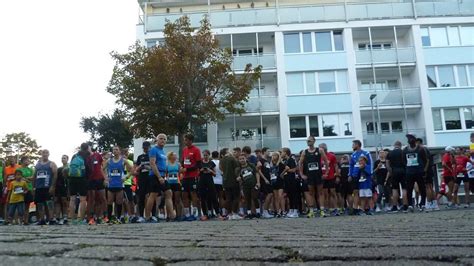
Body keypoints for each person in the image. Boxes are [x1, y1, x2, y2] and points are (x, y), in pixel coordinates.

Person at [298, 136, 329, 218]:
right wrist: (301, 174)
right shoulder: (304, 152)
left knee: (320, 192)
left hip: (318, 174)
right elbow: (300, 163)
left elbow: (326, 161)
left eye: (310, 141)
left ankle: (322, 210)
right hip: (309, 175)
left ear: (314, 141)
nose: (308, 142)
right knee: (311, 193)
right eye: (307, 141)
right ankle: (311, 211)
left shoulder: (320, 150)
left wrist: (326, 172)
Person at [103, 145, 132, 224]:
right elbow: (102, 169)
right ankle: (109, 218)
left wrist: (126, 177)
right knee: (109, 202)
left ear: (119, 151)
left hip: (119, 184)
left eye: (116, 149)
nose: (115, 151)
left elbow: (132, 170)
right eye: (113, 150)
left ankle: (118, 218)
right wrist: (105, 178)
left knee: (119, 202)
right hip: (111, 184)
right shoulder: (109, 160)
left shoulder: (123, 160)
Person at [403, 133, 428, 212]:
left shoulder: (420, 149)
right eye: (409, 139)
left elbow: (426, 160)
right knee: (409, 189)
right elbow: (404, 161)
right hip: (409, 172)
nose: (411, 140)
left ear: (415, 140)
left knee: (422, 188)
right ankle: (410, 204)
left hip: (419, 171)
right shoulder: (405, 150)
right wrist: (406, 169)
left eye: (412, 139)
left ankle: (422, 203)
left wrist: (424, 170)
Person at [146, 134, 168, 223]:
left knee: (168, 192)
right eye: (161, 139)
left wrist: (164, 176)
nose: (162, 140)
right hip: (155, 175)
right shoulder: (154, 149)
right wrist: (159, 177)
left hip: (163, 175)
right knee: (153, 195)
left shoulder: (162, 151)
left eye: (164, 139)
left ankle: (169, 215)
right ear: (157, 140)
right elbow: (152, 163)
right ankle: (148, 217)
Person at [32, 149, 58, 225]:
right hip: (39, 187)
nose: (45, 154)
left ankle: (51, 219)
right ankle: (42, 219)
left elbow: (55, 175)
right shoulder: (38, 165)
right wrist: (33, 187)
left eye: (46, 153)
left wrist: (52, 186)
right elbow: (34, 176)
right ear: (41, 154)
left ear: (49, 154)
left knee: (49, 203)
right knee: (40, 204)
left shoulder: (52, 164)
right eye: (43, 153)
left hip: (47, 186)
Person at [181, 134, 202, 221]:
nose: (185, 142)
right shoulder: (184, 150)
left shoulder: (196, 150)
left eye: (186, 140)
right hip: (185, 177)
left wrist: (188, 169)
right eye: (184, 140)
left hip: (193, 176)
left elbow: (198, 164)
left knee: (193, 194)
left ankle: (195, 214)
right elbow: (183, 161)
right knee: (184, 195)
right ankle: (187, 214)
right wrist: (182, 167)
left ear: (190, 140)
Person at [68, 143, 90, 224]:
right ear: (87, 148)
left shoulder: (75, 155)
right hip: (82, 179)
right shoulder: (87, 155)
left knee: (72, 199)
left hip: (72, 178)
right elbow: (88, 168)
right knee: (83, 199)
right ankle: (81, 219)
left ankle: (72, 219)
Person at [348, 140, 372, 215]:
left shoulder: (366, 153)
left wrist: (370, 173)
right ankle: (355, 208)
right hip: (355, 175)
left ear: (357, 145)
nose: (352, 146)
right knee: (355, 192)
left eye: (353, 144)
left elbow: (371, 163)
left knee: (365, 193)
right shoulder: (353, 155)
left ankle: (366, 208)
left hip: (363, 175)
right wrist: (350, 175)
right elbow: (351, 166)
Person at [416, 138, 438, 211]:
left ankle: (428, 204)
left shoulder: (422, 150)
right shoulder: (426, 149)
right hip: (429, 170)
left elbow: (427, 160)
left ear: (418, 143)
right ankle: (434, 204)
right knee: (431, 187)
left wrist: (424, 170)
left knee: (427, 188)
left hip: (425, 170)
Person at [86, 147, 106, 225]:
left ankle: (103, 217)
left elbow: (101, 167)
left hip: (99, 179)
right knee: (91, 199)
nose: (87, 149)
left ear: (90, 148)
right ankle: (90, 218)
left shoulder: (97, 155)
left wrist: (105, 178)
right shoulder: (86, 158)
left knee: (102, 198)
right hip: (91, 180)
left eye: (88, 147)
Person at [219, 148, 241, 220]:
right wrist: (238, 176)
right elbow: (237, 168)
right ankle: (234, 213)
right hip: (233, 180)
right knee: (236, 197)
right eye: (229, 151)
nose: (231, 152)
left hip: (225, 181)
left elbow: (221, 170)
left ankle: (229, 214)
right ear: (226, 152)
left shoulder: (221, 160)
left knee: (228, 198)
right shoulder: (232, 159)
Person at [236, 153, 260, 219]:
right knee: (247, 199)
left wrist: (258, 182)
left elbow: (257, 173)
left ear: (246, 159)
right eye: (240, 159)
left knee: (255, 197)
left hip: (253, 184)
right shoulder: (238, 169)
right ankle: (249, 213)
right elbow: (238, 178)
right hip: (245, 186)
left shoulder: (251, 165)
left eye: (243, 158)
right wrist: (238, 179)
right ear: (238, 160)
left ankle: (258, 213)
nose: (242, 160)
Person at [198, 150, 220, 221]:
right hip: (202, 181)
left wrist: (210, 170)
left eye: (206, 155)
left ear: (209, 155)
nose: (205, 156)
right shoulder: (200, 163)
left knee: (214, 197)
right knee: (203, 198)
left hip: (210, 181)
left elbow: (215, 174)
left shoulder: (211, 163)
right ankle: (205, 214)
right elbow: (197, 173)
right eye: (204, 155)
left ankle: (218, 213)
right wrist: (201, 170)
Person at [386, 141, 407, 213]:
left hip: (394, 171)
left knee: (395, 189)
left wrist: (391, 171)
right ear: (400, 146)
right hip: (403, 171)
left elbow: (387, 164)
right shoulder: (403, 152)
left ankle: (395, 207)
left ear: (394, 145)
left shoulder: (390, 153)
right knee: (404, 189)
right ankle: (405, 206)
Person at [319, 143, 338, 216]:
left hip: (331, 177)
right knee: (324, 194)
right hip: (322, 177)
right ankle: (326, 209)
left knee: (333, 193)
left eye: (321, 148)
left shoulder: (331, 156)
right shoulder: (319, 156)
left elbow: (335, 165)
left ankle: (335, 208)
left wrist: (337, 175)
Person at [135, 141, 151, 222]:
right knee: (141, 197)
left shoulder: (152, 156)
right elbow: (136, 170)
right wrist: (140, 167)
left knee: (151, 196)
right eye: (144, 148)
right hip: (141, 179)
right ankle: (141, 215)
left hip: (150, 178)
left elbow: (155, 167)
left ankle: (152, 215)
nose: (145, 149)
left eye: (146, 148)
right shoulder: (140, 157)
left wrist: (149, 167)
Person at [281, 148, 299, 218]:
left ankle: (295, 211)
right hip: (287, 181)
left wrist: (286, 171)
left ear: (285, 153)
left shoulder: (291, 160)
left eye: (282, 152)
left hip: (292, 180)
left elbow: (294, 169)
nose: (281, 153)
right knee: (290, 196)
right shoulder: (285, 161)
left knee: (294, 196)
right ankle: (291, 210)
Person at [256, 148, 273, 219]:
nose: (269, 152)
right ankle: (264, 212)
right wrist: (264, 179)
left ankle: (266, 211)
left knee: (269, 195)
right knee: (269, 194)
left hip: (269, 180)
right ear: (264, 152)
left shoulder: (267, 161)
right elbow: (258, 171)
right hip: (264, 181)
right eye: (268, 151)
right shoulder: (260, 160)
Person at [165, 152, 183, 220]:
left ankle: (178, 215)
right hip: (169, 183)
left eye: (176, 155)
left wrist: (180, 180)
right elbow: (165, 174)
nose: (175, 157)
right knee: (169, 199)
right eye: (174, 155)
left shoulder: (178, 164)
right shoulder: (167, 164)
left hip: (176, 183)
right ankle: (168, 215)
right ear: (170, 156)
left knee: (177, 199)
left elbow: (180, 173)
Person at [17, 156, 34, 225]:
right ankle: (20, 220)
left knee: (27, 205)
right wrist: (27, 179)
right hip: (20, 189)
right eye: (27, 160)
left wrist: (25, 179)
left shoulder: (30, 169)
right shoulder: (19, 169)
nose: (28, 161)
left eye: (28, 160)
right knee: (20, 205)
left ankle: (26, 220)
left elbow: (33, 178)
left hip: (29, 188)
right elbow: (19, 178)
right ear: (23, 161)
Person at [122, 148, 136, 223]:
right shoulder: (118, 162)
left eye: (126, 154)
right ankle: (123, 215)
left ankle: (132, 215)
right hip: (119, 184)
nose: (124, 156)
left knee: (130, 200)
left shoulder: (130, 162)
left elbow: (133, 172)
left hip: (127, 183)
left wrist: (128, 177)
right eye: (123, 154)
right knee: (121, 200)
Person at [54, 155, 69, 225]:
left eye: (64, 158)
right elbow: (56, 178)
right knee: (57, 201)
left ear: (67, 159)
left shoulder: (69, 168)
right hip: (58, 186)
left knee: (64, 202)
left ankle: (65, 216)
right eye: (62, 158)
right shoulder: (59, 169)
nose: (63, 159)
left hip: (65, 187)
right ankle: (57, 217)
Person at [211, 151, 225, 217]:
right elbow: (222, 172)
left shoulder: (210, 162)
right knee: (221, 197)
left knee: (214, 198)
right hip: (220, 182)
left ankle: (214, 211)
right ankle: (223, 211)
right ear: (218, 155)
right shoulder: (220, 162)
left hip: (212, 182)